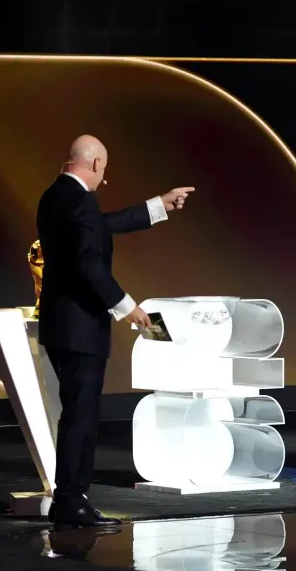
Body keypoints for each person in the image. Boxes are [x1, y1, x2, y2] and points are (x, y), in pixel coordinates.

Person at [37, 134, 194, 527]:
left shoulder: (55, 197)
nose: (103, 181)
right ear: (93, 165)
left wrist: (157, 206)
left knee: (75, 414)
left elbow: (99, 227)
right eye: (103, 171)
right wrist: (129, 307)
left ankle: (68, 499)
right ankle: (72, 501)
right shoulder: (81, 200)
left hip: (60, 327)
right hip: (82, 328)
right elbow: (90, 263)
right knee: (81, 416)